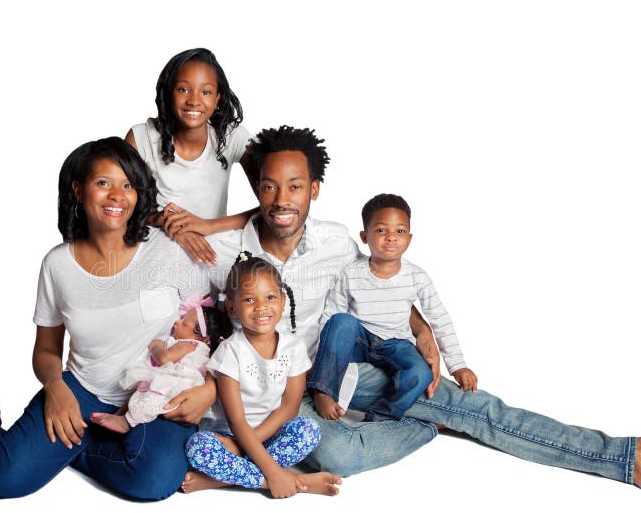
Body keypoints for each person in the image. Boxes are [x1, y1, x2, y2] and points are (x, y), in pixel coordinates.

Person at [202, 124, 641, 487]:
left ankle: (623, 456)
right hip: (278, 390)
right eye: (270, 186)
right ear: (257, 190)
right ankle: (425, 426)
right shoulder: (224, 251)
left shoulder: (334, 239)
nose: (282, 200)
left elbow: (376, 285)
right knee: (337, 454)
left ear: (313, 190)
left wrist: (421, 328)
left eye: (295, 186)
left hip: (340, 369)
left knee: (477, 407)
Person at [0, 137, 216, 501]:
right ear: (78, 189)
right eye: (103, 183)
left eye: (128, 185)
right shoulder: (58, 264)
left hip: (158, 394)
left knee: (153, 481)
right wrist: (56, 389)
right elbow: (45, 349)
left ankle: (75, 450)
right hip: (83, 393)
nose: (117, 196)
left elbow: (210, 330)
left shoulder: (167, 251)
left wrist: (209, 389)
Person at [184, 252, 342, 498]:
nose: (261, 307)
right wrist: (273, 473)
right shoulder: (230, 351)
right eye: (249, 299)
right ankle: (292, 481)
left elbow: (289, 408)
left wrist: (244, 449)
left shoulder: (294, 347)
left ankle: (220, 481)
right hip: (230, 435)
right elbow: (236, 421)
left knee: (309, 429)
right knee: (198, 448)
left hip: (264, 436)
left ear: (282, 300)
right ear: (232, 307)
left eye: (270, 297)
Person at [309, 193, 477, 422]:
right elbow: (330, 316)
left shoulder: (416, 277)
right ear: (364, 236)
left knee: (420, 374)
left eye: (399, 231)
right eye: (380, 230)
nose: (391, 237)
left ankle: (380, 416)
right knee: (340, 321)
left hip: (396, 344)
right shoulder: (350, 273)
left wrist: (457, 366)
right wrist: (321, 360)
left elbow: (440, 319)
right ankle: (322, 391)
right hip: (360, 340)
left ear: (409, 237)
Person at [126, 47, 256, 265]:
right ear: (168, 92)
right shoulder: (141, 137)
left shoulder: (233, 137)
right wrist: (167, 223)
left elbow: (275, 202)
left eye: (205, 92)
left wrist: (207, 225)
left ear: (217, 99)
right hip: (155, 256)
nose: (194, 101)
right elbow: (121, 208)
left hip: (213, 256)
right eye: (183, 89)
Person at [90, 297, 232, 433]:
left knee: (148, 397)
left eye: (184, 323)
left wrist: (155, 346)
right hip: (171, 383)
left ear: (202, 338)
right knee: (141, 392)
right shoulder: (191, 345)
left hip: (172, 387)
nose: (177, 322)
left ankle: (126, 422)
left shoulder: (191, 344)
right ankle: (119, 416)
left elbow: (165, 359)